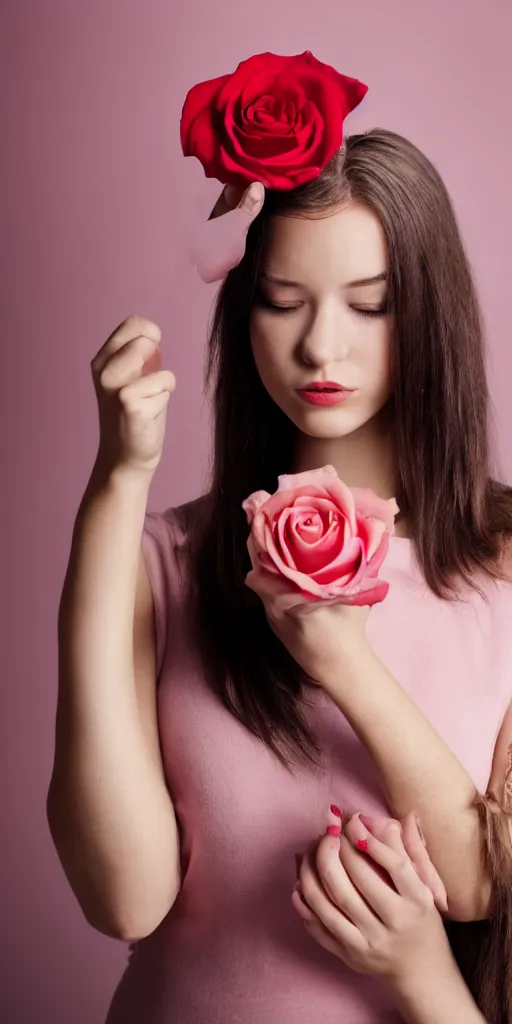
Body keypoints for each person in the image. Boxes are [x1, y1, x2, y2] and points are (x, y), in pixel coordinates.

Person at [47, 51, 512, 1023]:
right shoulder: (163, 563)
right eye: (281, 301)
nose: (320, 348)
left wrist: (344, 660)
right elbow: (123, 895)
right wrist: (116, 484)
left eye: (368, 303)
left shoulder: (502, 565)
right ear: (240, 309)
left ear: (427, 312)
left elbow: (478, 887)